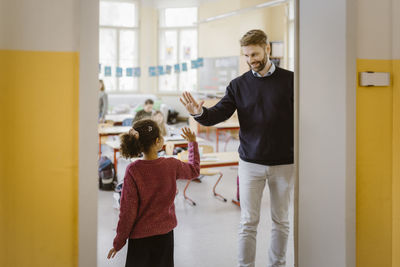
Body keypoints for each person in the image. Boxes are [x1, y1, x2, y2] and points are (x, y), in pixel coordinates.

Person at [180, 29, 294, 267]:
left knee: (281, 221)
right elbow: (218, 114)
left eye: (255, 53)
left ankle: (278, 264)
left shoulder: (291, 80)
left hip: (284, 163)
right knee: (248, 222)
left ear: (267, 49)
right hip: (250, 163)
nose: (251, 60)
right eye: (246, 55)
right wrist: (198, 113)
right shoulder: (238, 85)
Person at [107, 119, 200, 267]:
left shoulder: (133, 170)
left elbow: (127, 211)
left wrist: (119, 241)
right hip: (165, 237)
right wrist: (192, 143)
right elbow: (194, 170)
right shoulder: (171, 165)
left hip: (140, 241)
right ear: (158, 141)